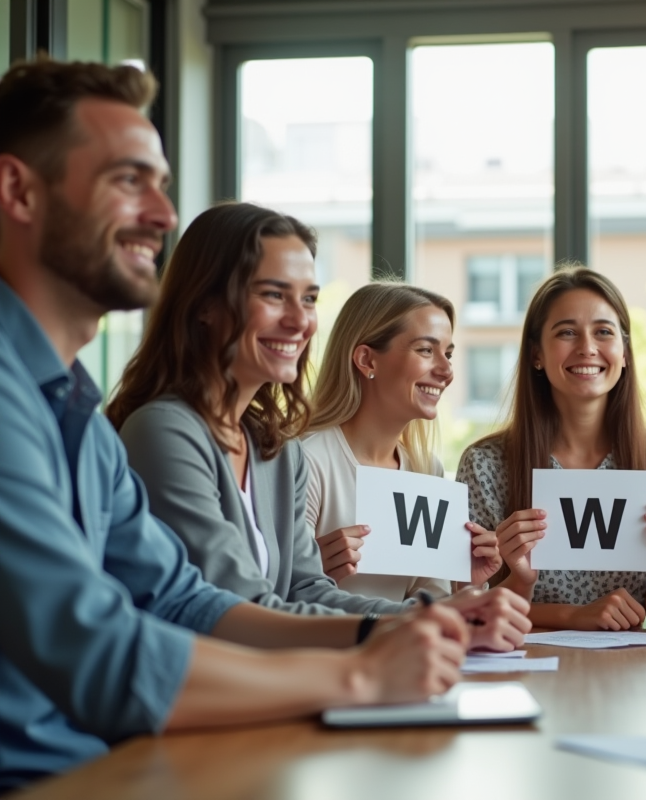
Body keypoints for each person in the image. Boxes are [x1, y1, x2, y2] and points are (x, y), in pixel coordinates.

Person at [0, 58, 469, 792]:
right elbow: (100, 652)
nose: (160, 214)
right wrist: (356, 675)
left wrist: (387, 630)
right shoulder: (56, 410)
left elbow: (184, 599)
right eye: (128, 180)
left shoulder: (81, 422)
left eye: (161, 185)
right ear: (17, 190)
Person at [107, 201, 528, 653]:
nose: (300, 320)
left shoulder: (275, 449)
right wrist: (408, 626)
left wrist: (443, 615)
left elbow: (307, 591)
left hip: (269, 686)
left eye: (308, 298)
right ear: (205, 305)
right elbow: (236, 608)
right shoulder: (163, 431)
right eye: (273, 295)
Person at [456, 266, 646, 630]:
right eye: (567, 332)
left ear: (625, 352)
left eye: (603, 332)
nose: (587, 348)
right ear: (536, 353)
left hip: (632, 670)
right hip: (523, 664)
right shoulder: (485, 465)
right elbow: (470, 606)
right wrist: (568, 613)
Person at [303, 282, 502, 599]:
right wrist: (309, 571)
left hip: (406, 645)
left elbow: (430, 604)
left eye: (448, 353)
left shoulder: (427, 471)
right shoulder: (307, 460)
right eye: (426, 350)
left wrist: (467, 585)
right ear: (367, 360)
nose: (447, 370)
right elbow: (272, 593)